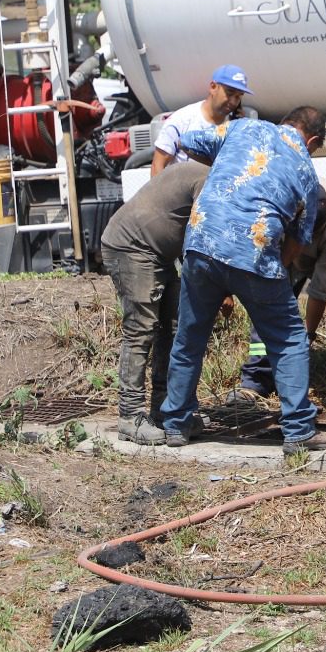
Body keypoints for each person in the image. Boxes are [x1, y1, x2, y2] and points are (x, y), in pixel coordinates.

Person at [159, 106, 326, 454]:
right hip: (253, 251)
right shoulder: (305, 169)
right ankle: (299, 430)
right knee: (288, 340)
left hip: (201, 242)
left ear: (287, 121)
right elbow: (299, 240)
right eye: (314, 146)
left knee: (189, 338)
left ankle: (176, 424)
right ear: (312, 139)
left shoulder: (242, 129)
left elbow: (188, 139)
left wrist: (229, 167)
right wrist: (272, 269)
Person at [99, 161, 210, 445]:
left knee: (171, 327)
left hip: (157, 253)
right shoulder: (207, 179)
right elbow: (200, 235)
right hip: (131, 247)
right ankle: (129, 416)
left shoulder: (204, 172)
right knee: (141, 329)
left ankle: (165, 409)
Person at [237, 181, 326, 409]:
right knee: (268, 304)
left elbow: (319, 292)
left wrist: (306, 334)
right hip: (288, 237)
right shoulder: (279, 205)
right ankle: (255, 380)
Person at [150, 64, 252, 175]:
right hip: (185, 190)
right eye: (229, 93)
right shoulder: (181, 120)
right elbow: (157, 166)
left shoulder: (236, 126)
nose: (233, 101)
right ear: (213, 87)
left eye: (238, 96)